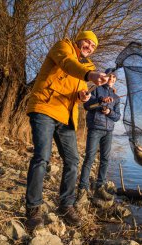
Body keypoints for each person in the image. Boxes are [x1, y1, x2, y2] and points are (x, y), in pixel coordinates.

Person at [25, 31, 109, 230]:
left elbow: (76, 91)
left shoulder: (87, 66)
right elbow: (68, 65)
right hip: (45, 108)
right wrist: (89, 75)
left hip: (66, 117)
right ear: (79, 40)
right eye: (87, 42)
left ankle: (66, 205)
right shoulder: (63, 47)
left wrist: (82, 97)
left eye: (93, 46)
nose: (89, 46)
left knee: (73, 161)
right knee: (42, 157)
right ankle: (33, 209)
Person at [77, 69, 121, 204]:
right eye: (109, 76)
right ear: (105, 77)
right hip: (95, 128)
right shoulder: (96, 89)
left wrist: (108, 111)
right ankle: (82, 189)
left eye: (114, 77)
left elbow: (117, 117)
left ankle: (100, 187)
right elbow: (87, 105)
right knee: (89, 158)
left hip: (108, 131)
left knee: (105, 159)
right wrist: (101, 100)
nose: (111, 79)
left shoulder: (117, 98)